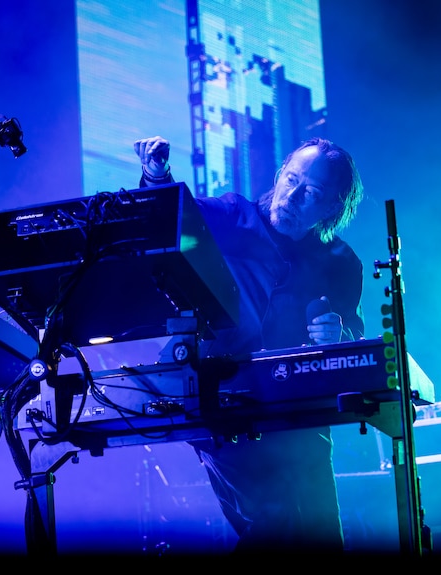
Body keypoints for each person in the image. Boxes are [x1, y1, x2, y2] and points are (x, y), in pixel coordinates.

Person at [134, 135, 366, 553]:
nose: (292, 196)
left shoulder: (341, 263)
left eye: (310, 192)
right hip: (222, 401)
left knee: (322, 538)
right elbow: (171, 216)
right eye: (291, 179)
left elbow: (352, 337)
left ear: (332, 206)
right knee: (276, 518)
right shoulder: (229, 217)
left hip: (299, 417)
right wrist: (156, 175)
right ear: (280, 175)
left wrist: (339, 335)